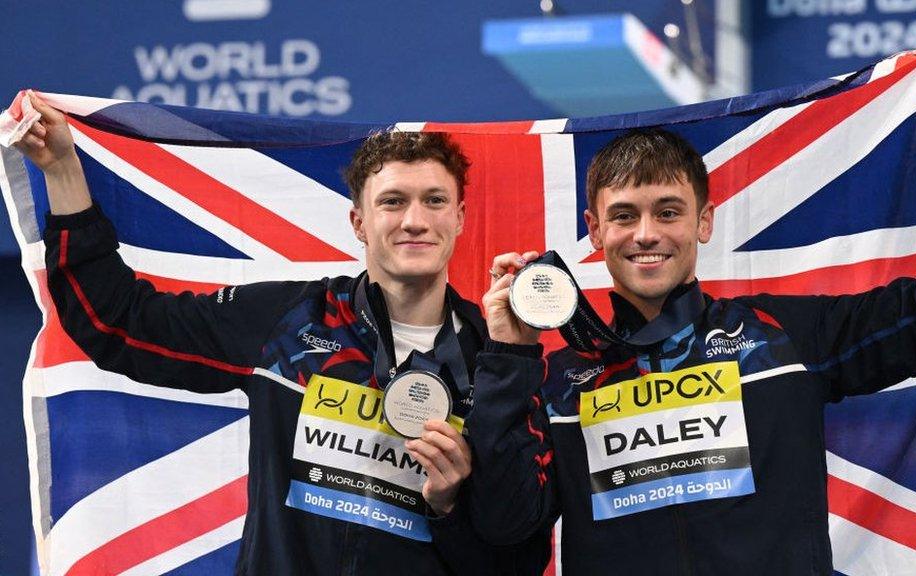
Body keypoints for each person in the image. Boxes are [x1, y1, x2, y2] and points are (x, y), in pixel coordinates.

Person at [467, 58, 916, 575]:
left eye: (669, 212)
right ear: (595, 230)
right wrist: (509, 356)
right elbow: (507, 525)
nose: (647, 234)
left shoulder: (781, 340)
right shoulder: (561, 382)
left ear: (704, 222)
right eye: (624, 216)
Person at [15, 93, 548, 575]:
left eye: (434, 201)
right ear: (358, 221)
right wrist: (63, 172)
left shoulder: (496, 363)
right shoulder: (292, 319)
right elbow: (119, 323)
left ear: (459, 218)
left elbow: (518, 559)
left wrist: (448, 504)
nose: (414, 220)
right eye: (392, 201)